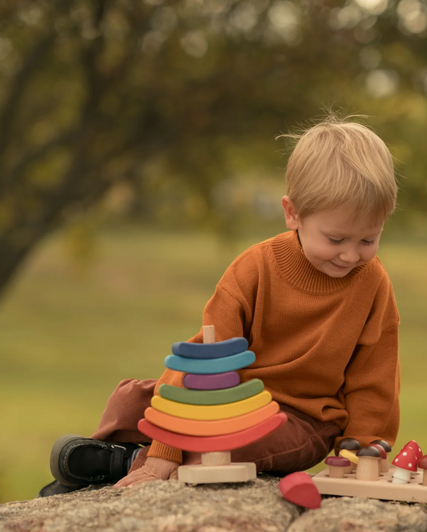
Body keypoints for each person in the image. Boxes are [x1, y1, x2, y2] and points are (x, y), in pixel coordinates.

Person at [39, 114, 401, 496]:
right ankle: (116, 459)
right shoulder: (254, 269)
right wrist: (167, 446)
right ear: (293, 213)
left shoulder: (373, 284)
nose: (349, 256)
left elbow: (374, 377)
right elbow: (205, 358)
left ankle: (125, 464)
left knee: (223, 446)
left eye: (368, 240)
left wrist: (363, 449)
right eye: (336, 239)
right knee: (129, 400)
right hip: (226, 400)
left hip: (301, 420)